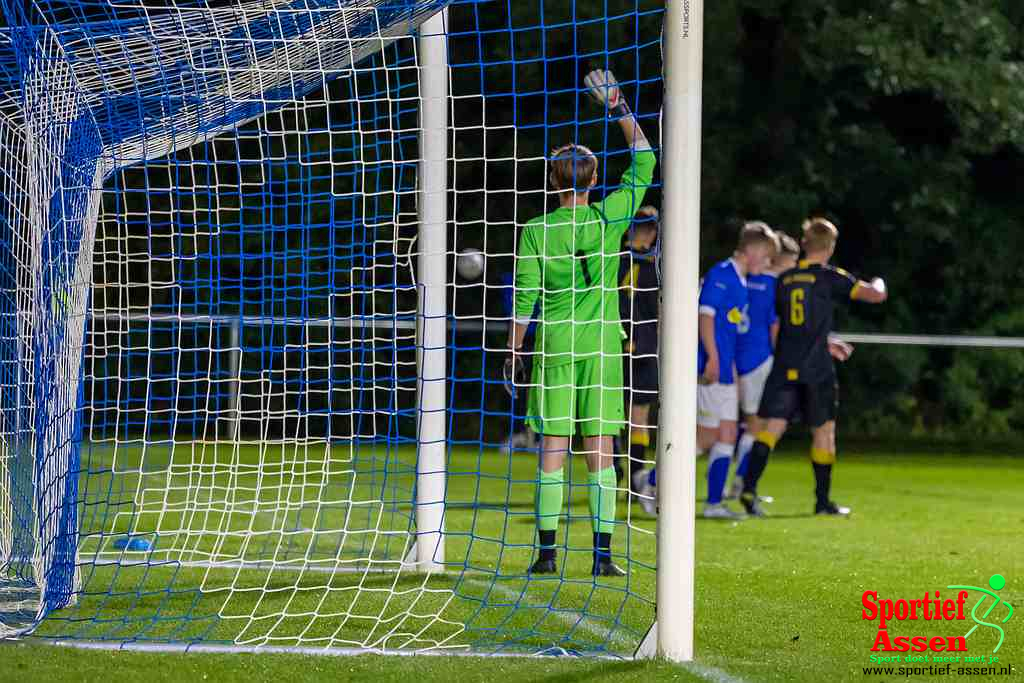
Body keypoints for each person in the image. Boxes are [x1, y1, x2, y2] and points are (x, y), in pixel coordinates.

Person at [507, 69, 655, 576]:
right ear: (594, 181)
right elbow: (645, 160)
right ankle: (602, 557)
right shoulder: (610, 216)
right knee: (601, 449)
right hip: (602, 348)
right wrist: (617, 106)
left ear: (552, 181)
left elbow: (524, 296)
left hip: (554, 346)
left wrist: (514, 347)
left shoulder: (535, 229)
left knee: (552, 448)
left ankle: (546, 555)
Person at [739, 218, 887, 517]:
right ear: (830, 247)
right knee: (824, 431)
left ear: (805, 244)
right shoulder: (828, 277)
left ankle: (749, 487)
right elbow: (874, 295)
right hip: (816, 369)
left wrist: (824, 341)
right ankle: (822, 501)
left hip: (784, 366)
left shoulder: (785, 279)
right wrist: (881, 283)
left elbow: (783, 326)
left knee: (771, 429)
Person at [696, 223, 777, 519]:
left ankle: (713, 504)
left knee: (728, 434)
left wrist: (730, 368)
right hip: (710, 366)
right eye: (767, 256)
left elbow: (728, 331)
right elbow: (704, 317)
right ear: (753, 250)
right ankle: (651, 484)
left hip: (727, 371)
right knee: (705, 438)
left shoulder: (741, 282)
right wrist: (713, 358)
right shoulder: (721, 274)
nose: (767, 263)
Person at [729, 230, 800, 498]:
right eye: (790, 264)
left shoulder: (742, 277)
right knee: (760, 426)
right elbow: (775, 327)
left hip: (735, 358)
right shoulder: (773, 285)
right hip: (759, 361)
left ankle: (739, 481)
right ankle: (742, 482)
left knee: (744, 424)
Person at [618, 206, 660, 498]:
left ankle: (616, 470)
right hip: (644, 345)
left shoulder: (612, 258)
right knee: (639, 416)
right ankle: (635, 481)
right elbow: (661, 305)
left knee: (611, 413)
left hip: (612, 344)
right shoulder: (656, 264)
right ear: (654, 232)